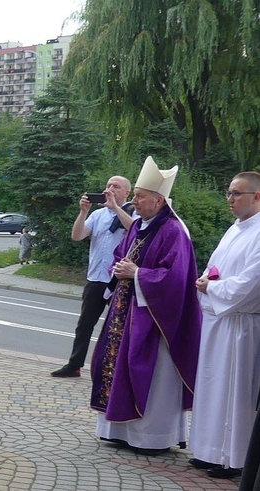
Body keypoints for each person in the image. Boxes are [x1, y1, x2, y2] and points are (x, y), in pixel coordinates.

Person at [90, 156, 202, 455]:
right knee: (116, 365)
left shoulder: (173, 232)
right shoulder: (140, 225)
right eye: (136, 195)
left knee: (150, 373)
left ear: (159, 200)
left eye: (140, 196)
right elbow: (121, 254)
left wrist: (137, 274)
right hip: (126, 310)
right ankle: (118, 430)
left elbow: (175, 277)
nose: (135, 202)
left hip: (154, 319)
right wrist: (119, 269)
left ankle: (152, 436)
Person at [189, 171, 260, 480]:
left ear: (257, 196)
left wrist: (211, 288)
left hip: (241, 326)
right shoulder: (235, 228)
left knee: (234, 394)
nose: (229, 199)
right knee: (212, 388)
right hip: (218, 322)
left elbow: (251, 283)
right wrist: (206, 280)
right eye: (229, 193)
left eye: (236, 193)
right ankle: (208, 450)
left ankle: (233, 458)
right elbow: (215, 266)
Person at [51, 176, 135, 378]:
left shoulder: (133, 213)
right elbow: (77, 236)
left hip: (119, 280)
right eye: (108, 186)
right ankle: (74, 365)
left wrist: (116, 208)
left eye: (116, 187)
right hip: (96, 278)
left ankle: (117, 369)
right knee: (85, 324)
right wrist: (83, 212)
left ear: (127, 193)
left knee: (119, 327)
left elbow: (136, 230)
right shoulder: (98, 215)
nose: (110, 189)